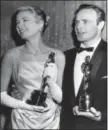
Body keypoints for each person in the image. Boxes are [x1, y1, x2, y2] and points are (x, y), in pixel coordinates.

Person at [0, 5, 65, 129]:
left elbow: (60, 97)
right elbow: (1, 95)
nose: (19, 25)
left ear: (40, 24)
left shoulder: (58, 56)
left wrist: (50, 82)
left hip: (50, 121)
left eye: (25, 20)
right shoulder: (11, 55)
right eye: (17, 22)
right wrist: (24, 105)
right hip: (21, 119)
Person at [60, 4, 107, 130]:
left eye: (85, 21)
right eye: (76, 22)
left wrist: (103, 116)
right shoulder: (65, 56)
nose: (78, 27)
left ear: (100, 25)